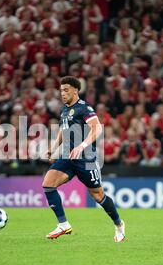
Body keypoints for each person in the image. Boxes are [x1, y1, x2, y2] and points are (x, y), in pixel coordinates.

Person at [42, 76, 125, 242]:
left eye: (66, 90)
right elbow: (62, 130)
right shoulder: (65, 110)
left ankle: (119, 224)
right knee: (48, 184)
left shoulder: (84, 108)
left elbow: (97, 129)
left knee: (97, 195)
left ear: (75, 90)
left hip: (85, 158)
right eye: (61, 90)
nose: (63, 94)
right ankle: (63, 224)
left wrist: (81, 146)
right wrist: (53, 147)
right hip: (67, 157)